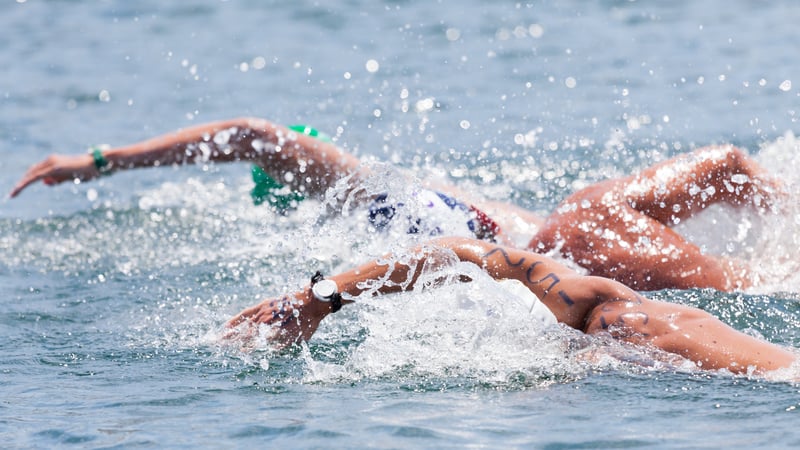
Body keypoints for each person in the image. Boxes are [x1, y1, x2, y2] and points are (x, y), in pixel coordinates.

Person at [9, 117, 783, 291]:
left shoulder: (363, 188)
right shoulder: (367, 223)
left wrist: (101, 162)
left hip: (564, 230)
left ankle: (786, 238)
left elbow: (248, 133)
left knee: (727, 163)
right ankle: (769, 284)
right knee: (581, 221)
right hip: (557, 246)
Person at [225, 236, 797, 376]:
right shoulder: (598, 309)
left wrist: (324, 298)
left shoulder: (602, 309)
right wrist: (324, 297)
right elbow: (462, 252)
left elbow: (466, 254)